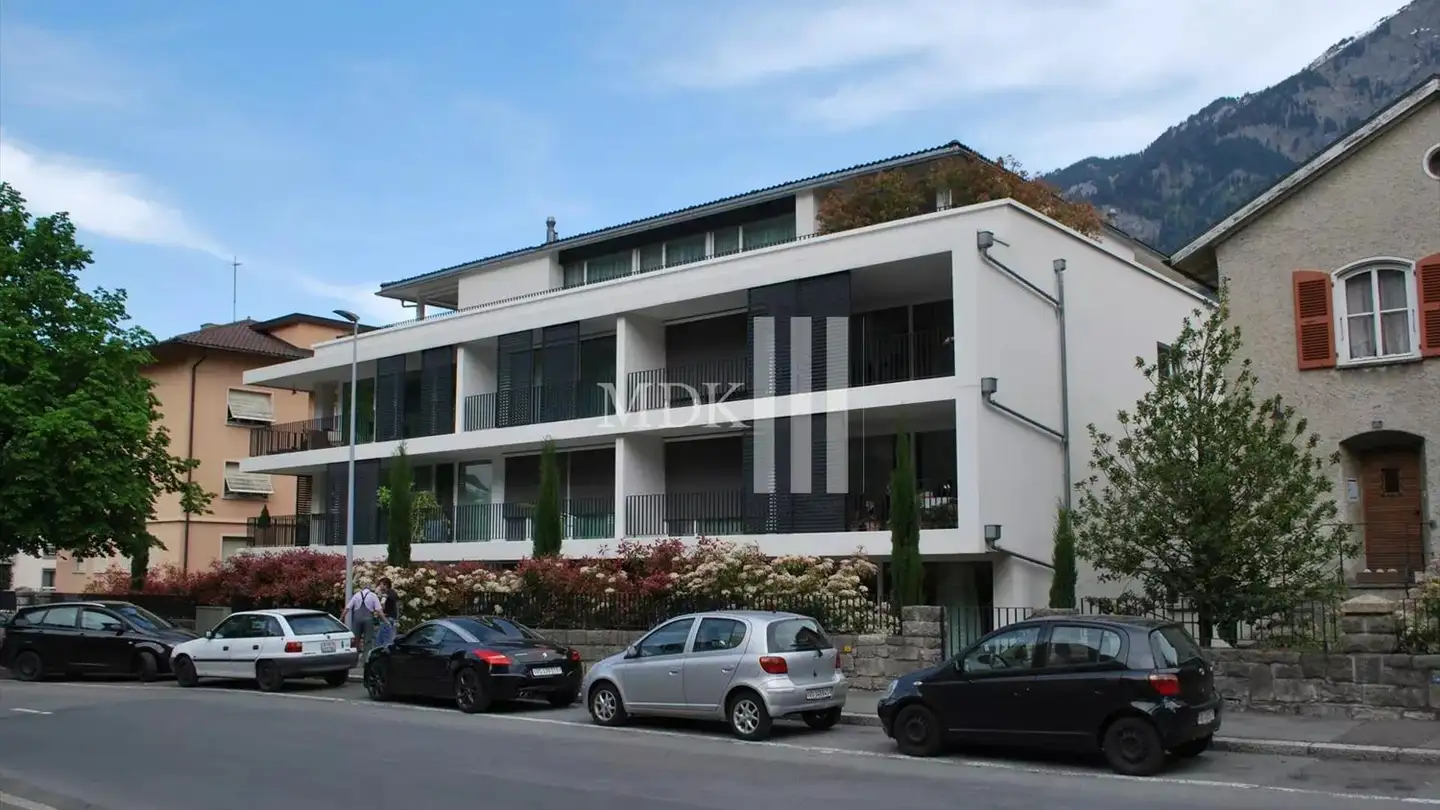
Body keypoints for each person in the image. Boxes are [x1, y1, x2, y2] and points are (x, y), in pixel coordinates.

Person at [341, 582, 383, 655]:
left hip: (357, 619)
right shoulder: (373, 595)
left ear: (363, 588)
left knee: (355, 639)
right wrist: (386, 620)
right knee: (368, 640)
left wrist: (341, 618)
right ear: (370, 588)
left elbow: (347, 608)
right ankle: (366, 659)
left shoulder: (356, 595)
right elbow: (379, 610)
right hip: (368, 619)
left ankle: (355, 656)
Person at [373, 577, 399, 648]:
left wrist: (379, 612)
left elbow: (382, 605)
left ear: (386, 585)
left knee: (383, 641)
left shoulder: (385, 594)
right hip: (392, 617)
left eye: (381, 584)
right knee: (385, 639)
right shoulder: (393, 592)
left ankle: (383, 656)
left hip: (386, 619)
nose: (379, 586)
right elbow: (396, 605)